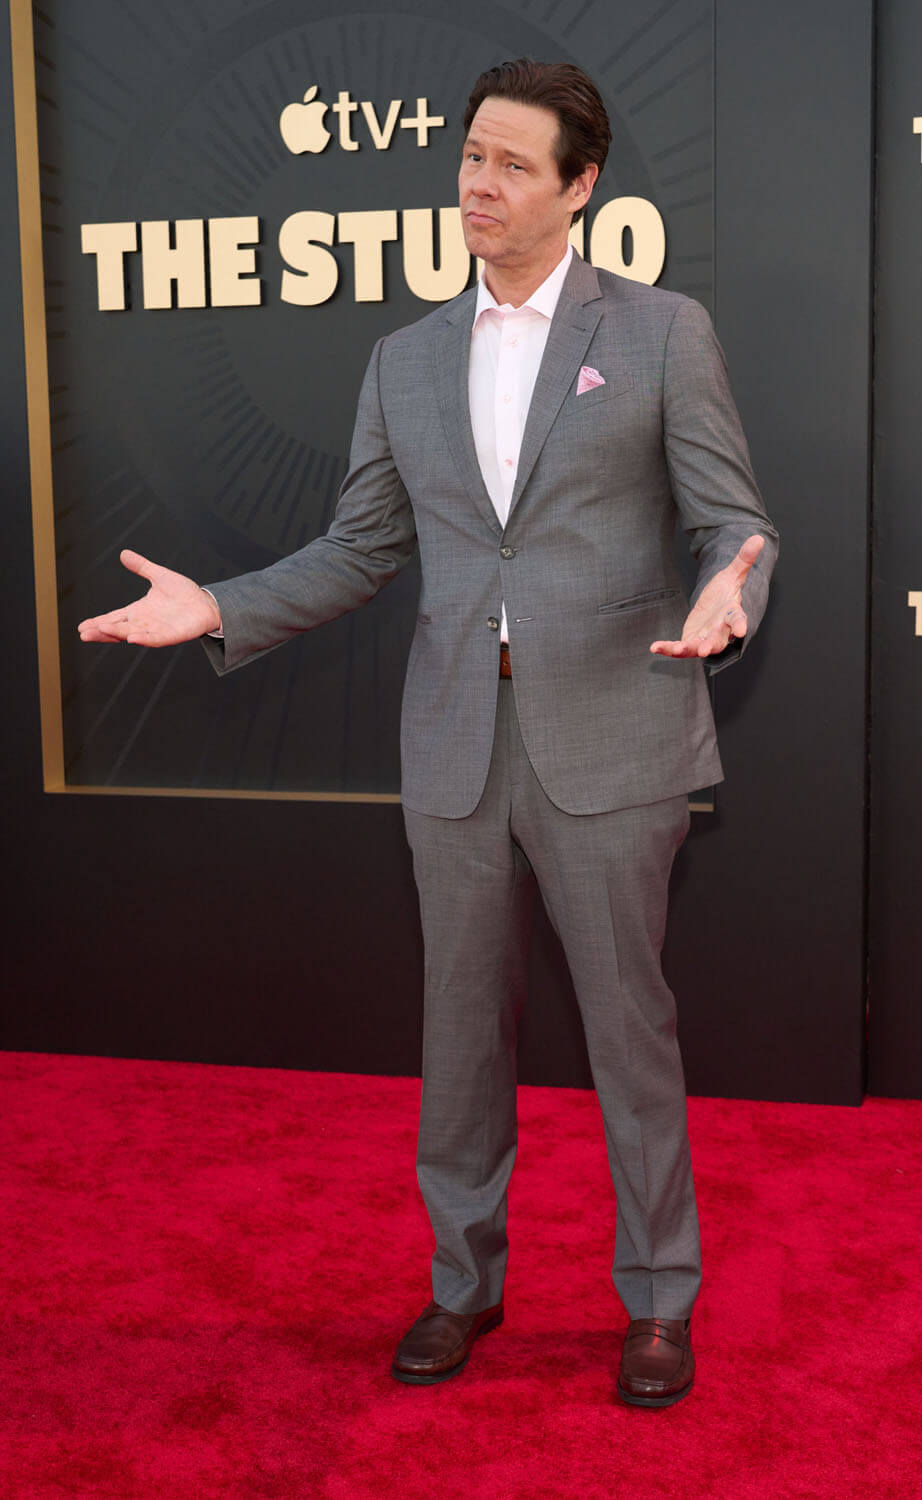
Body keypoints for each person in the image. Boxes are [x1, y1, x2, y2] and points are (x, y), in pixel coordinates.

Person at [79, 59, 778, 1407]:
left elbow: (732, 519)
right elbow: (362, 547)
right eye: (471, 158)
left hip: (614, 735)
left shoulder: (660, 333)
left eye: (514, 164)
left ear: (580, 186)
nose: (480, 185)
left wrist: (731, 587)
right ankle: (463, 1286)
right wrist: (217, 607)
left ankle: (657, 1300)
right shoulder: (402, 360)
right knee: (460, 1034)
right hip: (455, 741)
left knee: (630, 1031)